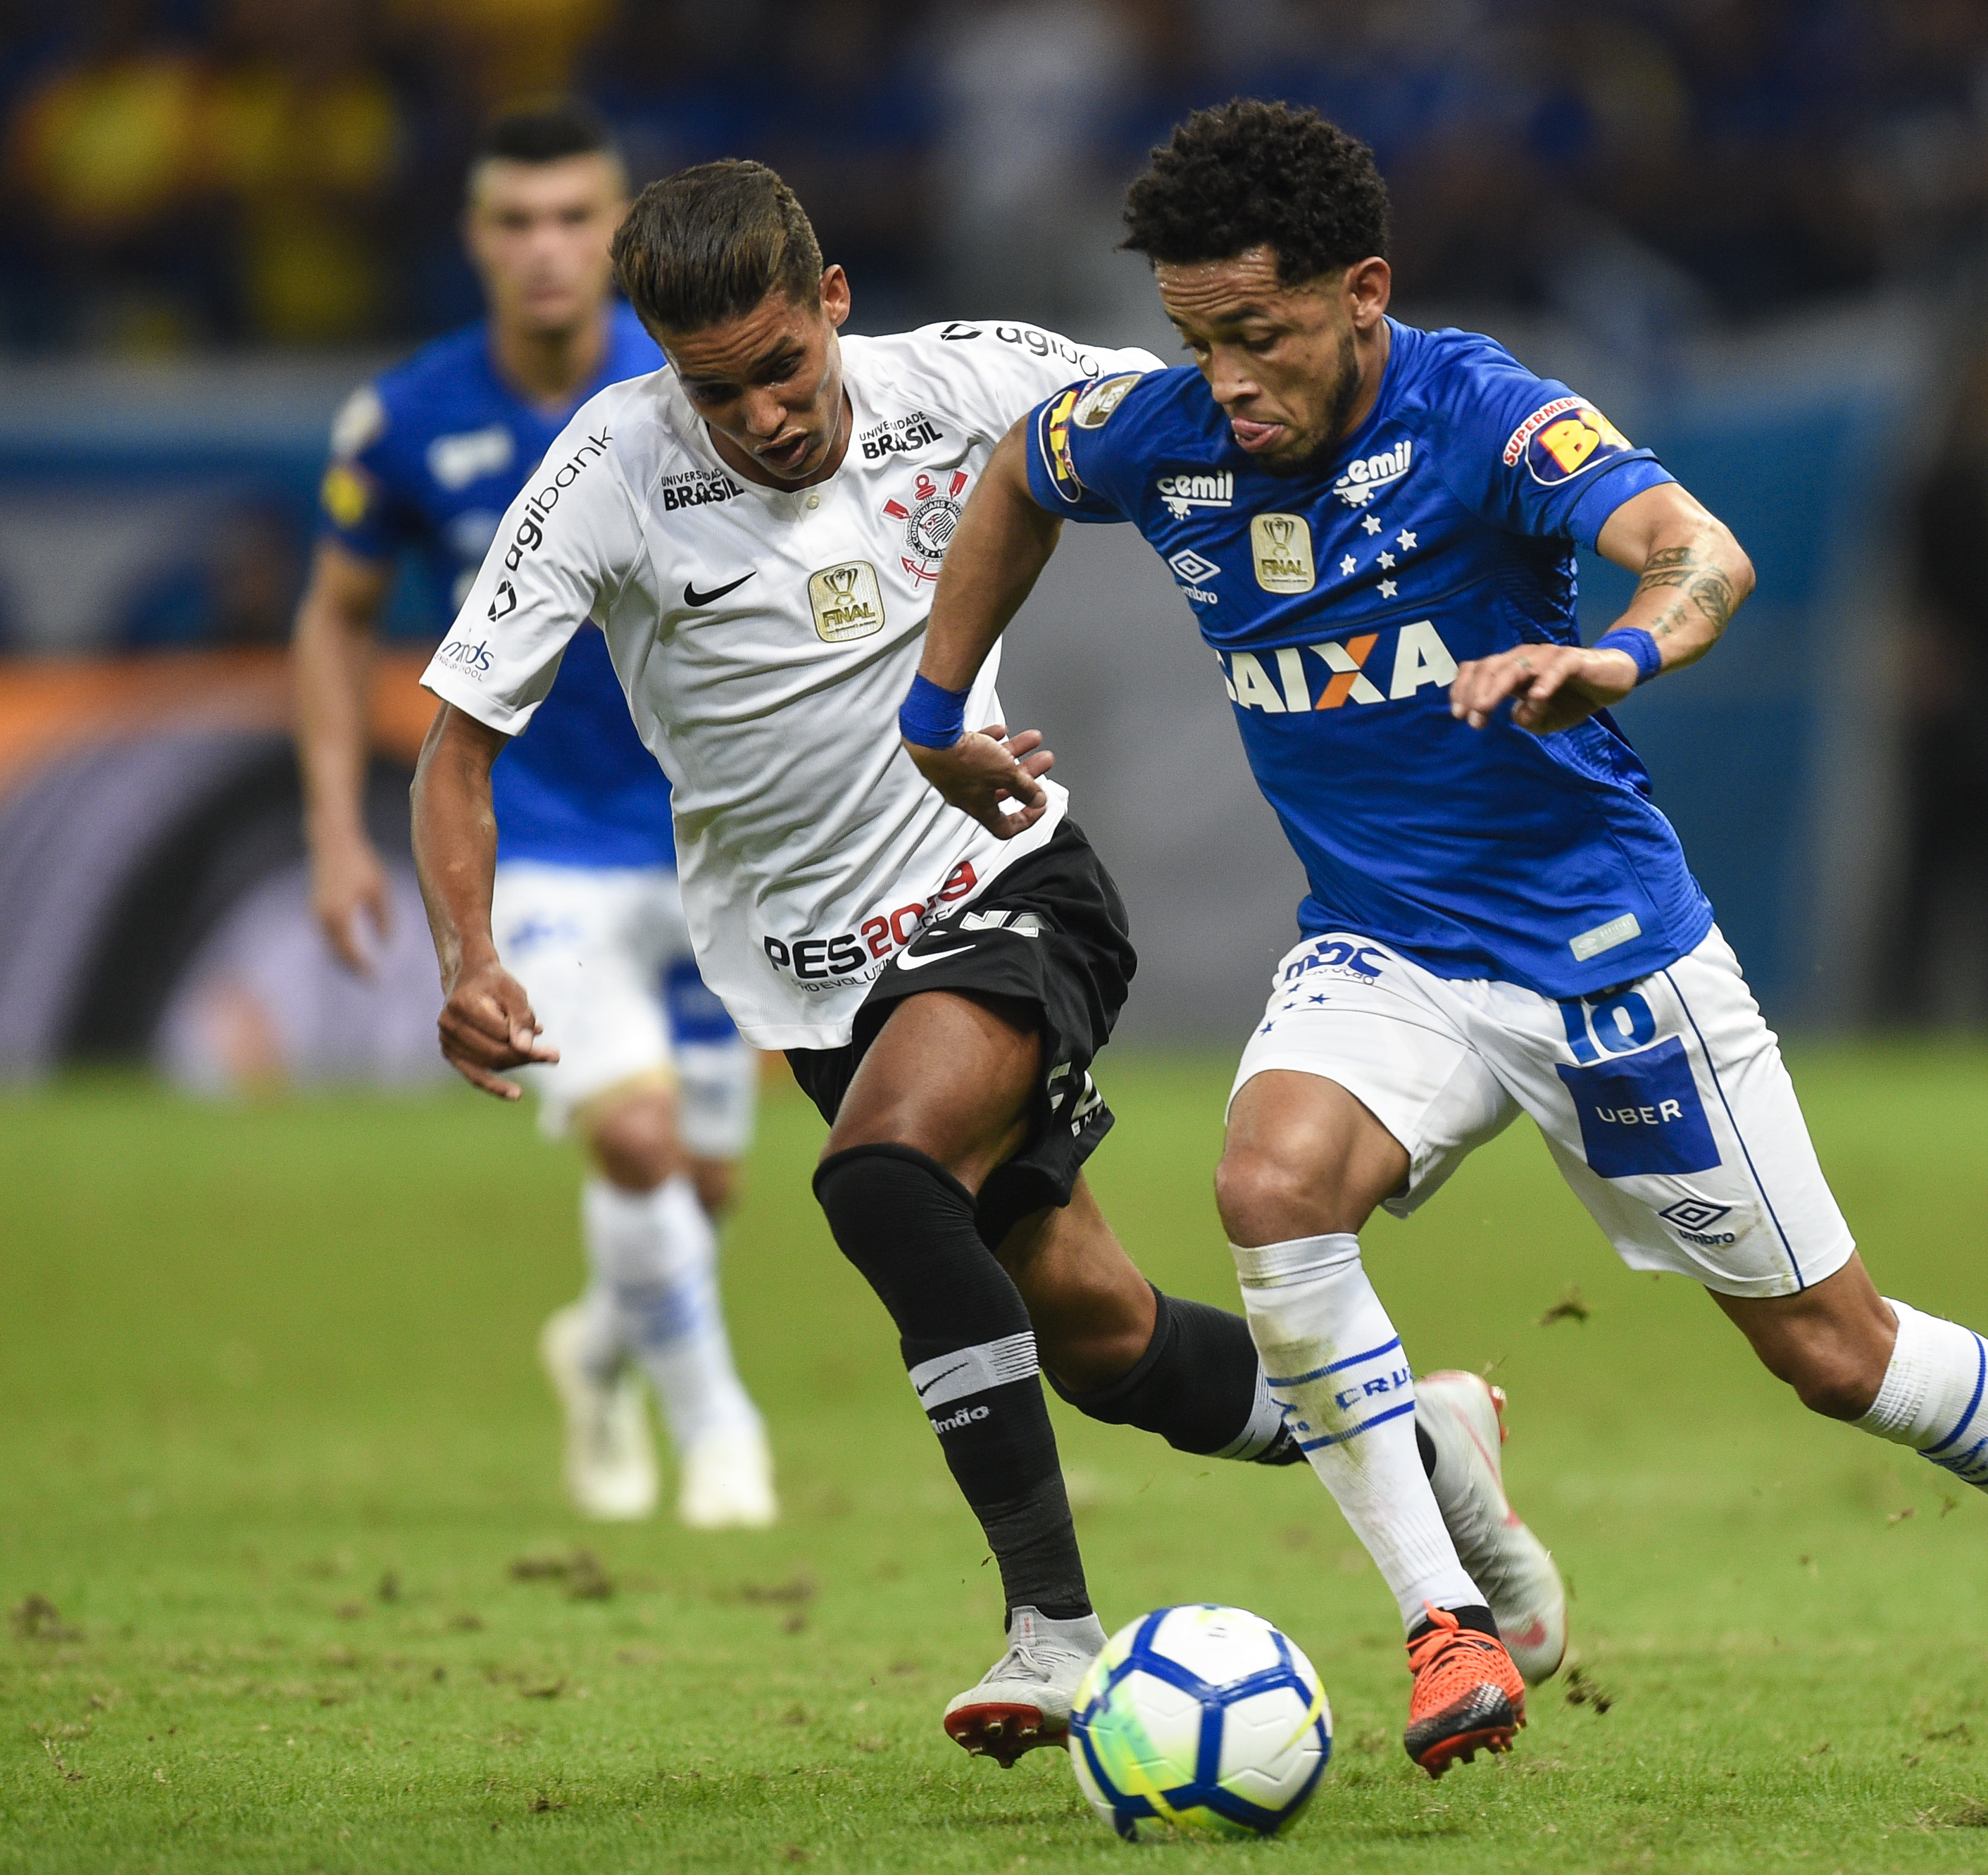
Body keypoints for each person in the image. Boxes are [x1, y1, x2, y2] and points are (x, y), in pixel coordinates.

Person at [907, 100, 1988, 1793]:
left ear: (1361, 291)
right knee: (1265, 1185)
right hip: (1385, 951)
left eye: (1257, 334)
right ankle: (1438, 1617)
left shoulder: (1483, 416)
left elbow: (1702, 552)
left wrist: (1617, 655)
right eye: (1196, 337)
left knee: (1832, 1353)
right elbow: (1021, 471)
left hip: (1600, 954)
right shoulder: (1161, 433)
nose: (1227, 378)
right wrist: (937, 706)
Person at [404, 156, 1559, 1767]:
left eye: (780, 369)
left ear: (832, 306)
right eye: (713, 388)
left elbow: (1237, 398)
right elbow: (454, 746)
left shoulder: (976, 383)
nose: (758, 417)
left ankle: (1056, 1629)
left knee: (881, 1178)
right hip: (804, 973)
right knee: (1099, 1339)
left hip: (1008, 879)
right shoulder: (606, 464)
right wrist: (468, 946)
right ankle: (1424, 1442)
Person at [290, 101, 774, 1531]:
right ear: (474, 240)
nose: (546, 251)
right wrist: (331, 824)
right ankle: (725, 1443)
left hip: (707, 844)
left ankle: (600, 1351)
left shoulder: (703, 390)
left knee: (702, 1184)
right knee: (631, 1143)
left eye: (575, 219)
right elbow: (333, 622)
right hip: (537, 851)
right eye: (516, 221)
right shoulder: (406, 419)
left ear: (617, 237)